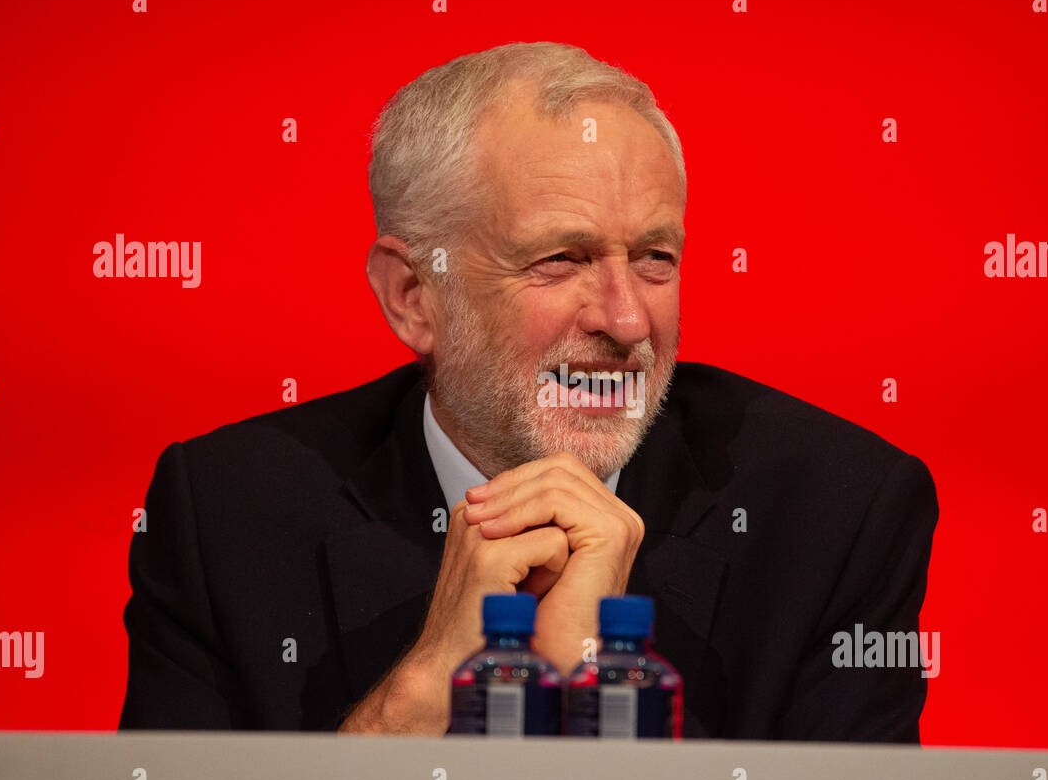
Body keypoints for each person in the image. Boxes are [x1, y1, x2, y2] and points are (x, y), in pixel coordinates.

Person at [118, 41, 938, 740]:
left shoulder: (837, 510)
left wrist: (605, 696)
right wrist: (415, 700)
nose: (626, 320)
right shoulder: (224, 513)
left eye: (655, 256)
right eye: (562, 260)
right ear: (413, 297)